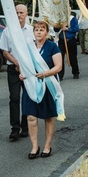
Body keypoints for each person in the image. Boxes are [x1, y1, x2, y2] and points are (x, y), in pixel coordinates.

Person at [18, 21, 62, 159]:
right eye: (36, 29)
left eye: (42, 29)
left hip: (47, 85)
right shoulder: (28, 47)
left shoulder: (52, 47)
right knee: (31, 116)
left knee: (48, 117)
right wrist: (21, 73)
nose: (38, 32)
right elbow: (23, 65)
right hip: (31, 86)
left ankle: (47, 146)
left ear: (47, 33)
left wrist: (45, 74)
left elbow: (58, 67)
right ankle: (34, 146)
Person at [0, 4, 33, 141]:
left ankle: (25, 126)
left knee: (27, 97)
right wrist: (17, 63)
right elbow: (5, 51)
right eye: (16, 12)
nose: (19, 15)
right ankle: (15, 129)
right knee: (14, 98)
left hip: (28, 69)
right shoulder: (7, 31)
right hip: (13, 69)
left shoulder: (31, 30)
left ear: (26, 14)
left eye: (21, 13)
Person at [57, 9, 80, 80]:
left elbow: (76, 29)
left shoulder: (73, 19)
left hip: (70, 40)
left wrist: (67, 29)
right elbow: (55, 29)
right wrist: (59, 27)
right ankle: (60, 75)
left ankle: (76, 73)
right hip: (61, 40)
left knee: (73, 57)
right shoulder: (60, 19)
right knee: (60, 57)